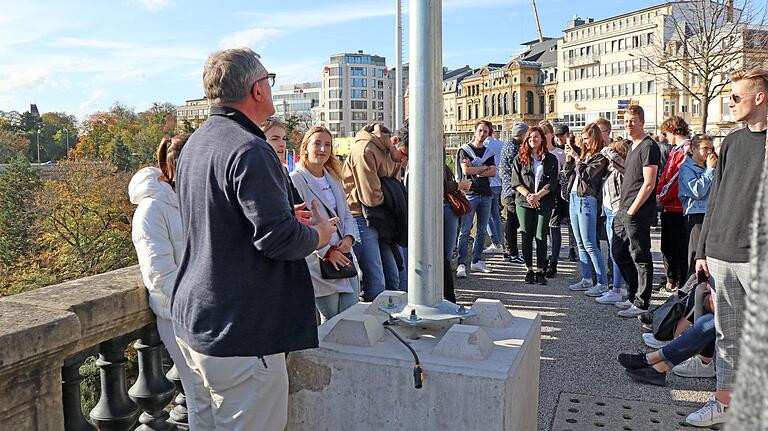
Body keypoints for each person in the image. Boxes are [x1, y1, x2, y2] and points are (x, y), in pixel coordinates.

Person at [171, 48, 336, 431]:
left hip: (198, 318)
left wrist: (281, 218)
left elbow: (220, 218)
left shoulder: (197, 142)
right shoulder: (251, 148)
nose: (271, 88)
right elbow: (278, 241)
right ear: (257, 90)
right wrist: (319, 233)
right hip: (242, 331)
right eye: (270, 80)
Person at [688, 68, 767, 428]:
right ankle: (725, 403)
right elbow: (716, 197)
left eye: (736, 96)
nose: (730, 102)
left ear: (760, 98)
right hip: (721, 254)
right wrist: (703, 249)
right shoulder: (733, 141)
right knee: (727, 337)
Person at [129, 134, 211, 429]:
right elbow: (159, 273)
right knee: (199, 395)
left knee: (216, 395)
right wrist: (204, 298)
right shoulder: (151, 210)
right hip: (179, 314)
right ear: (174, 166)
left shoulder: (196, 197)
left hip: (209, 311)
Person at [290, 126, 360, 323]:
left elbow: (346, 212)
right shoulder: (296, 180)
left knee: (351, 317)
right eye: (317, 143)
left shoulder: (333, 178)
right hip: (320, 259)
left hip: (345, 256)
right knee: (331, 321)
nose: (322, 149)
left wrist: (349, 238)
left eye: (327, 144)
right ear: (305, 148)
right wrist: (327, 251)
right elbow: (300, 224)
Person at [342, 123, 407, 301]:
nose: (405, 160)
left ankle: (388, 320)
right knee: (376, 277)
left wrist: (395, 159)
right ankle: (374, 321)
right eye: (405, 154)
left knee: (394, 276)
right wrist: (392, 194)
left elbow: (393, 187)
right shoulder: (364, 150)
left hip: (382, 216)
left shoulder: (390, 152)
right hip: (359, 214)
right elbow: (371, 197)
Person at [612, 105, 660, 318]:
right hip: (623, 208)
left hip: (636, 210)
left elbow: (649, 183)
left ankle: (642, 302)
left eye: (632, 120)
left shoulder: (649, 146)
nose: (628, 124)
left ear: (641, 121)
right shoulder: (632, 146)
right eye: (626, 121)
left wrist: (632, 210)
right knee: (618, 252)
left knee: (640, 255)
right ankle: (632, 295)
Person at [509, 126, 559, 285]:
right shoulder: (519, 158)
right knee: (526, 235)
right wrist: (529, 196)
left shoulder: (551, 159)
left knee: (541, 235)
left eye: (536, 137)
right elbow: (516, 182)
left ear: (542, 139)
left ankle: (540, 270)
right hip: (524, 202)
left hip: (544, 201)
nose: (533, 140)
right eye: (530, 138)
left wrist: (538, 195)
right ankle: (529, 269)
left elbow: (552, 183)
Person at [564, 123, 609, 296]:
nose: (584, 142)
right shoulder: (585, 154)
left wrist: (577, 158)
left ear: (595, 137)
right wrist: (570, 160)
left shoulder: (600, 156)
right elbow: (570, 174)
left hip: (587, 199)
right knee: (580, 243)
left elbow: (587, 176)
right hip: (574, 198)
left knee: (590, 243)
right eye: (582, 139)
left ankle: (602, 282)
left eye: (587, 139)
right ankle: (587, 278)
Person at [455, 120, 497, 278]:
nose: (482, 134)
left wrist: (476, 169)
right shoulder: (464, 150)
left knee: (481, 230)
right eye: (480, 130)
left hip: (486, 193)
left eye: (485, 131)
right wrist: (484, 168)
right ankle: (461, 263)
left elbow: (493, 172)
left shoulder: (488, 152)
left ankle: (477, 260)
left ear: (488, 134)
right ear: (475, 131)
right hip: (470, 193)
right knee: (465, 230)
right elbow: (466, 171)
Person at [656, 116, 691, 291]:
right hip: (669, 205)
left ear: (674, 131)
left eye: (666, 133)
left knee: (679, 249)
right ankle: (672, 280)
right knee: (666, 246)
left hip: (679, 207)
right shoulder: (674, 150)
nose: (665, 137)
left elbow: (678, 178)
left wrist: (662, 196)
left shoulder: (687, 149)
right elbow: (665, 175)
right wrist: (659, 192)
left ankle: (682, 282)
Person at [678, 134, 716, 277]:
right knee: (696, 255)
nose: (709, 153)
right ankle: (691, 291)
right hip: (695, 214)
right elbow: (697, 191)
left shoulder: (709, 167)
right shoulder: (686, 168)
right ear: (694, 148)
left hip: (710, 213)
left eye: (711, 149)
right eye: (705, 148)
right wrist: (710, 171)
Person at [595, 139, 628, 305]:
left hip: (616, 212)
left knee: (616, 252)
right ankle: (619, 285)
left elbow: (617, 161)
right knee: (614, 251)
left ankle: (616, 288)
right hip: (608, 211)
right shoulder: (610, 170)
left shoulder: (620, 169)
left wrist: (606, 148)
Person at [499, 122, 528, 265]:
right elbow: (518, 169)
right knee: (512, 222)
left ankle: (508, 251)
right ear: (522, 134)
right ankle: (512, 252)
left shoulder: (509, 145)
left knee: (511, 221)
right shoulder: (513, 148)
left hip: (507, 189)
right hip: (511, 190)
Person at [444, 162, 472, 302]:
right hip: (443, 209)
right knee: (444, 256)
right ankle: (447, 296)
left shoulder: (439, 160)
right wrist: (460, 186)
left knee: (446, 256)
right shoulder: (428, 159)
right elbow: (442, 185)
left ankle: (446, 294)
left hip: (447, 208)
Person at [540, 121, 565, 278]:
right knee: (542, 229)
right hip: (540, 195)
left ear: (551, 135)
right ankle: (543, 260)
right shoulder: (536, 153)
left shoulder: (559, 153)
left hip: (555, 194)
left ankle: (553, 261)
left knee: (554, 228)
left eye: (545, 134)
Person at [483, 128, 505, 255]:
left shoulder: (484, 145)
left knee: (486, 216)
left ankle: (496, 243)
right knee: (496, 215)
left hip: (488, 183)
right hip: (498, 182)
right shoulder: (501, 144)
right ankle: (500, 242)